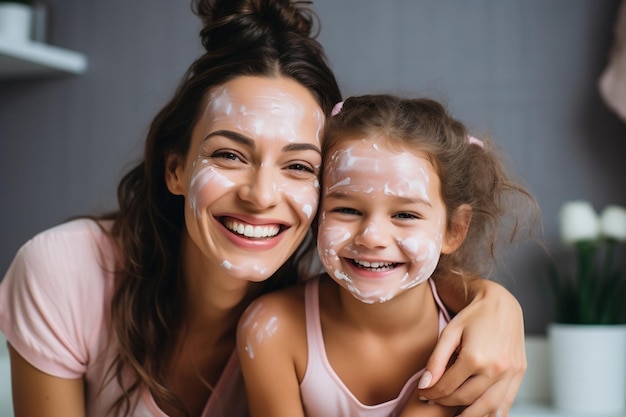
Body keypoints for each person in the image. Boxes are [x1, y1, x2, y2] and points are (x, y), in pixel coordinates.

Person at [0, 1, 526, 416]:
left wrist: (497, 302)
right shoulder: (63, 271)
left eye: (298, 167)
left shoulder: (320, 301)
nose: (261, 195)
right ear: (176, 168)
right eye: (229, 154)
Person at [237, 95, 538, 417]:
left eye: (405, 215)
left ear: (454, 231)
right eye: (347, 210)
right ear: (315, 216)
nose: (372, 237)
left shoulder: (474, 345)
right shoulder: (272, 328)